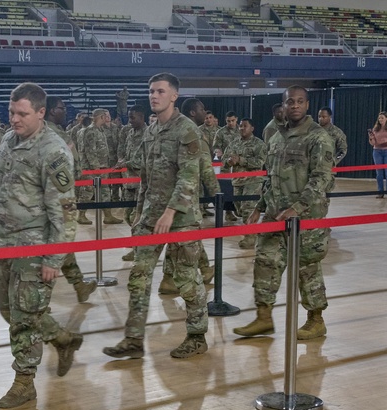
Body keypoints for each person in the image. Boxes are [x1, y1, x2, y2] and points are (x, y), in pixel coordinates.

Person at [0, 82, 83, 410]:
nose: (14, 119)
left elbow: (64, 212)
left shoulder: (53, 151)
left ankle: (24, 382)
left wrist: (53, 258)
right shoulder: (6, 140)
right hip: (6, 243)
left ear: (40, 112)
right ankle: (61, 338)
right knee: (5, 301)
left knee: (22, 315)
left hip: (35, 248)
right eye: (11, 112)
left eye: (22, 114)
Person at [103, 72, 208, 360]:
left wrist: (171, 211)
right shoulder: (150, 131)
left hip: (182, 217)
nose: (154, 96)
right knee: (138, 277)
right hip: (151, 217)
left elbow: (189, 177)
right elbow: (145, 179)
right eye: (151, 91)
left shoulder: (187, 130)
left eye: (160, 91)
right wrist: (139, 213)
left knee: (187, 279)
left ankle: (197, 336)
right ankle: (134, 339)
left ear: (174, 96)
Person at [233, 85, 334, 341]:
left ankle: (316, 320)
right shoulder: (276, 138)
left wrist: (296, 208)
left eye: (300, 101)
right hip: (275, 215)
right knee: (265, 262)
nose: (295, 106)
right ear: (283, 105)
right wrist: (260, 207)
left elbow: (321, 180)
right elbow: (271, 178)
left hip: (306, 217)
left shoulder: (318, 138)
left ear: (307, 105)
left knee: (307, 268)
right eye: (290, 102)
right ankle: (264, 317)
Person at [156, 97, 217, 294]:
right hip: (187, 198)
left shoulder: (173, 130)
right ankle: (186, 282)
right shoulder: (194, 133)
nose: (204, 112)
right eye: (201, 109)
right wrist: (219, 195)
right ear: (192, 112)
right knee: (187, 240)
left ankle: (170, 278)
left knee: (178, 239)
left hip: (171, 197)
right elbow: (206, 169)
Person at [44, 95, 98, 303]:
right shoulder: (49, 134)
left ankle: (79, 285)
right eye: (61, 108)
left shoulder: (58, 132)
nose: (64, 111)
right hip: (55, 199)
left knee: (62, 243)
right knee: (54, 244)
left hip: (62, 196)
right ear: (50, 111)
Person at [222, 118, 267, 251]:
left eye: (245, 126)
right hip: (237, 182)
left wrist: (241, 160)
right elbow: (224, 160)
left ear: (252, 128)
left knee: (248, 209)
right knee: (240, 210)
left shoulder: (259, 144)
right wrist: (229, 162)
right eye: (240, 126)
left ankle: (250, 237)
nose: (242, 128)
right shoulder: (234, 143)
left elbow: (259, 162)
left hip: (253, 181)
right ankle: (253, 230)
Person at [369, 111, 387, 198]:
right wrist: (371, 138)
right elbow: (373, 143)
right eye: (379, 118)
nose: (380, 119)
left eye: (382, 118)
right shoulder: (375, 128)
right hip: (377, 151)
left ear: (386, 118)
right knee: (379, 173)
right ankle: (380, 192)